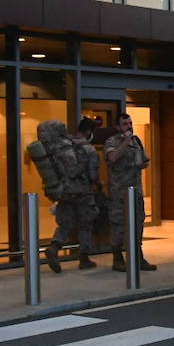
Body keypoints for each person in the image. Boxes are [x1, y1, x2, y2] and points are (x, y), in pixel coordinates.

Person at [46, 117, 101, 272]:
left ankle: (54, 247)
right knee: (86, 224)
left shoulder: (65, 145)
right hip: (83, 192)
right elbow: (93, 174)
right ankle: (84, 258)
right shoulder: (89, 149)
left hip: (65, 191)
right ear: (89, 132)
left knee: (65, 224)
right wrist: (98, 185)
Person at [104, 112, 156, 272]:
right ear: (117, 126)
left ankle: (138, 257)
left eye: (130, 123)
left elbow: (143, 160)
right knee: (119, 225)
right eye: (125, 124)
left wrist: (143, 161)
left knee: (138, 224)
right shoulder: (112, 141)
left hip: (136, 191)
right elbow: (112, 158)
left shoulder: (136, 141)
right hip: (119, 192)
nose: (129, 127)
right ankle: (118, 258)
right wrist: (126, 141)